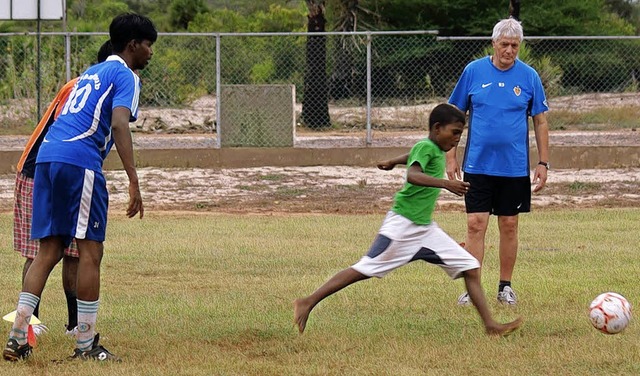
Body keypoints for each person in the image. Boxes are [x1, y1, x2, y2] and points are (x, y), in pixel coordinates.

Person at [3, 13, 156, 362]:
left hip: (46, 159)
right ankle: (85, 345)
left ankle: (17, 337)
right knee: (91, 252)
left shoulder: (91, 71)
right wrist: (133, 178)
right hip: (79, 161)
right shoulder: (126, 76)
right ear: (133, 45)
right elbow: (119, 124)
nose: (150, 52)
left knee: (48, 250)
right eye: (148, 45)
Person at [293, 103, 523, 336]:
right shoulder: (427, 146)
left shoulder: (432, 148)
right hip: (403, 226)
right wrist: (446, 183)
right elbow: (414, 175)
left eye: (460, 135)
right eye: (454, 133)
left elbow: (413, 155)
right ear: (437, 128)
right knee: (365, 268)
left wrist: (393, 161)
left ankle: (491, 326)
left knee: (470, 266)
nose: (457, 139)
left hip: (424, 229)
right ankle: (308, 301)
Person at [11, 40, 114, 340]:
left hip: (71, 174)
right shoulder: (79, 87)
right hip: (39, 172)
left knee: (74, 252)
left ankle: (74, 325)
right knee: (40, 250)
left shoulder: (112, 93)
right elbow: (64, 135)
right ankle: (28, 323)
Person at [446, 18, 549, 306]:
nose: (509, 50)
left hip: (514, 169)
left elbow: (540, 121)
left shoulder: (529, 77)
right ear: (493, 43)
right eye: (504, 44)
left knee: (509, 225)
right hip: (477, 166)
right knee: (476, 224)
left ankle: (505, 287)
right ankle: (473, 288)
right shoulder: (473, 71)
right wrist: (451, 155)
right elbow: (455, 116)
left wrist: (543, 163)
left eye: (515, 45)